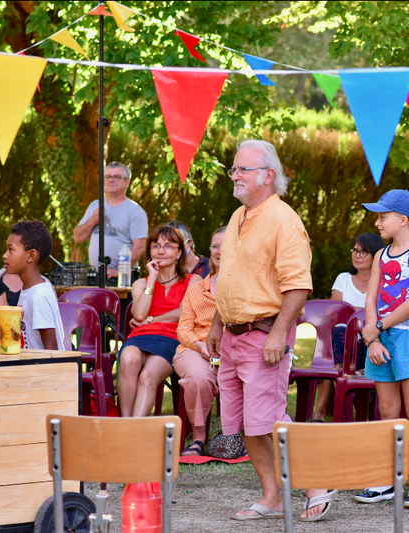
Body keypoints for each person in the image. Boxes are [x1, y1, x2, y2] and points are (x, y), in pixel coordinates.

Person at [204, 140, 316, 521]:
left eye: (242, 169)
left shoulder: (285, 220)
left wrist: (278, 334)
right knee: (246, 426)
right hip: (233, 336)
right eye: (233, 169)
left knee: (270, 421)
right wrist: (219, 323)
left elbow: (298, 285)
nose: (234, 175)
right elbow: (228, 277)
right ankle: (273, 496)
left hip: (264, 334)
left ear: (268, 175)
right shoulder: (238, 216)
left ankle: (317, 482)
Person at [355, 190, 409, 509]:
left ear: (403, 220)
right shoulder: (381, 256)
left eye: (382, 217)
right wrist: (373, 339)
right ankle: (388, 476)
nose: (377, 223)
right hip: (381, 338)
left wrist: (379, 328)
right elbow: (370, 299)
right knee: (387, 409)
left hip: (407, 339)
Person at [119, 224, 199, 418]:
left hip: (172, 337)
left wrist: (152, 319)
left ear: (179, 253)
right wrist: (152, 278)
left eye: (169, 246)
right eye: (156, 246)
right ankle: (123, 427)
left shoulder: (193, 280)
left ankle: (134, 432)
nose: (161, 251)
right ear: (150, 251)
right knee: (128, 359)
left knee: (147, 376)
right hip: (140, 336)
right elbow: (138, 315)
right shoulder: (141, 283)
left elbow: (183, 313)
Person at [311, 233, 384, 421]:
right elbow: (336, 313)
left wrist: (354, 312)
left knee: (346, 337)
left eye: (363, 252)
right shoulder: (343, 279)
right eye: (355, 251)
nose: (357, 255)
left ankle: (344, 374)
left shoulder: (384, 282)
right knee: (341, 330)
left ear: (376, 255)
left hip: (371, 343)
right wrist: (363, 312)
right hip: (342, 345)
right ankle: (320, 412)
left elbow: (383, 313)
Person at [174, 228, 225, 455]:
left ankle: (239, 437)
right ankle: (199, 436)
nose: (219, 251)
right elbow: (183, 329)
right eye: (215, 246)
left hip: (233, 347)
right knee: (198, 376)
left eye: (226, 245)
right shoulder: (196, 289)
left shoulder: (247, 288)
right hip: (195, 347)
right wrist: (202, 347)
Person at [73, 162, 148, 282]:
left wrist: (118, 270)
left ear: (127, 182)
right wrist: (92, 221)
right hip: (95, 276)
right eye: (108, 177)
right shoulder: (95, 206)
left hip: (123, 278)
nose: (111, 180)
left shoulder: (135, 211)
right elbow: (78, 237)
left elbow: (140, 247)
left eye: (117, 177)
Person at [2, 220, 65, 350]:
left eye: (10, 249)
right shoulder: (28, 288)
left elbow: (51, 349)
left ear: (31, 256)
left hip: (45, 369)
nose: (4, 255)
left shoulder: (38, 296)